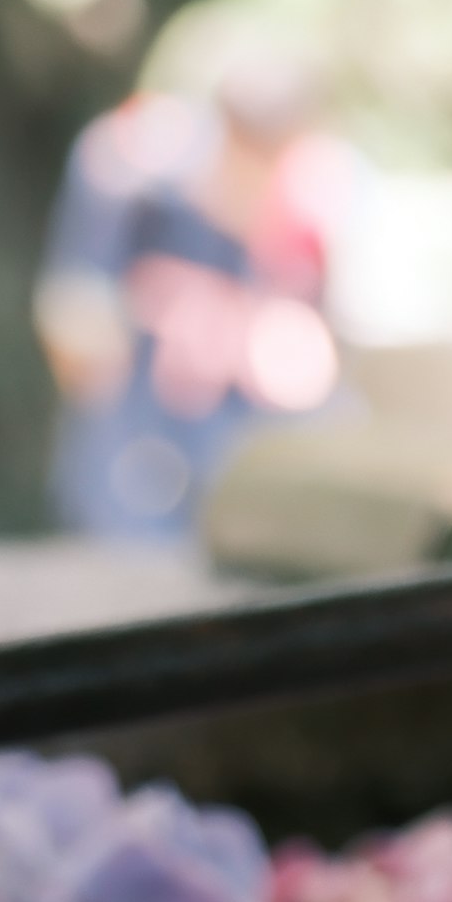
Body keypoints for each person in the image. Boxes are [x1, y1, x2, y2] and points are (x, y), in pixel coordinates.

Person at [39, 45, 355, 544]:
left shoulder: (310, 205)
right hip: (133, 476)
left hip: (245, 477)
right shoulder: (132, 175)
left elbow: (318, 366)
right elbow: (76, 326)